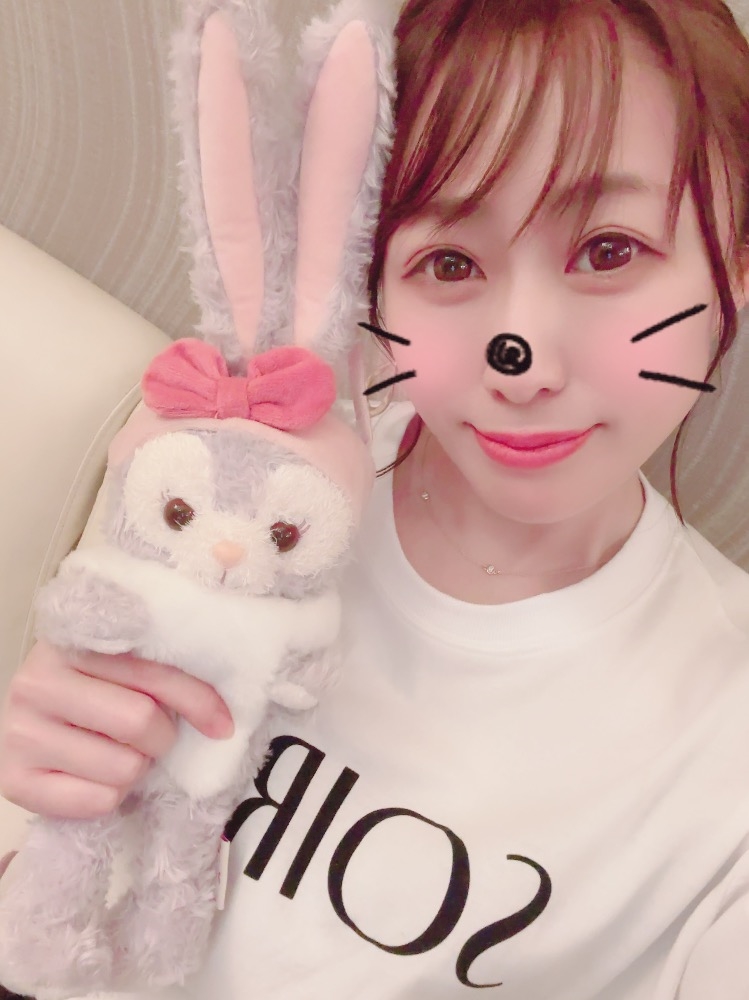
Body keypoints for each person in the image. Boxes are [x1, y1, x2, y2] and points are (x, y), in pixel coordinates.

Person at [2, 0, 749, 997]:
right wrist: (56, 780)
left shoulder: (723, 747)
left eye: (607, 250)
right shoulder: (239, 482)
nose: (524, 360)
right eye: (450, 262)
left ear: (735, 253)